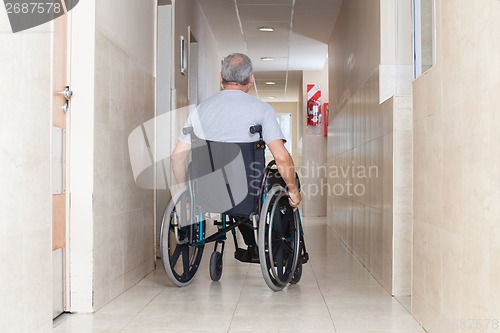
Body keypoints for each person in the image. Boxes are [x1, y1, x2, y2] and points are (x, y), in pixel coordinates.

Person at [171, 53, 301, 262]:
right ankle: (278, 250)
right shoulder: (262, 110)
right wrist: (293, 191)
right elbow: (282, 158)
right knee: (281, 181)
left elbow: (177, 157)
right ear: (251, 79)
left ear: (220, 77)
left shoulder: (200, 111)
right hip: (246, 196)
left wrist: (184, 196)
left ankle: (250, 243)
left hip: (206, 196)